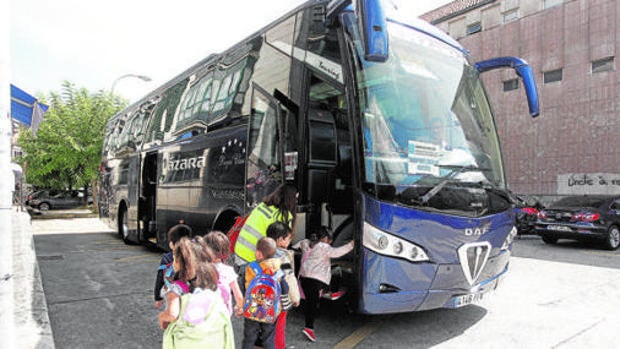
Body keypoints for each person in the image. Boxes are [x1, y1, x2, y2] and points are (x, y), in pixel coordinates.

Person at [159, 236, 234, 349]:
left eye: (174, 258)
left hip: (188, 342)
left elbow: (172, 314)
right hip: (213, 337)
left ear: (181, 262)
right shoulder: (212, 282)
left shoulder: (175, 288)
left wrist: (162, 318)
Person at [293, 226, 354, 342]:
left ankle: (309, 327)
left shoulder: (305, 243)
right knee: (335, 271)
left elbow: (295, 246)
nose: (330, 242)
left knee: (311, 303)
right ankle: (331, 292)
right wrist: (351, 245)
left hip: (304, 278)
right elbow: (336, 253)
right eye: (330, 239)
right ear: (325, 238)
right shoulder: (324, 247)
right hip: (318, 280)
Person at [241, 237, 289, 349]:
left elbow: (243, 286)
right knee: (268, 337)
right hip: (270, 310)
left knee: (249, 337)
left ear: (258, 254)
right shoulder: (277, 269)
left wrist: (241, 303)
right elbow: (285, 288)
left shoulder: (251, 268)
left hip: (252, 309)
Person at [234, 183, 298, 265]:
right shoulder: (283, 217)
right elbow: (281, 247)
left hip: (239, 252)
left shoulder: (262, 206)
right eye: (296, 199)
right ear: (291, 200)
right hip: (253, 260)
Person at [266, 221, 298, 349]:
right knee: (280, 325)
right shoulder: (283, 257)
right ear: (280, 240)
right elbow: (289, 278)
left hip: (265, 296)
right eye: (288, 239)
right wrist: (295, 298)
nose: (289, 242)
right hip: (280, 298)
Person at [204, 230, 244, 318]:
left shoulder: (202, 270)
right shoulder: (228, 271)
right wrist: (239, 308)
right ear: (226, 252)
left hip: (205, 317)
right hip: (223, 316)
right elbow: (239, 296)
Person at [154, 221, 193, 308]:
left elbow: (160, 278)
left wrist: (158, 298)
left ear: (171, 244)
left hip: (171, 293)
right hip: (189, 293)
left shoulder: (167, 259)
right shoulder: (193, 256)